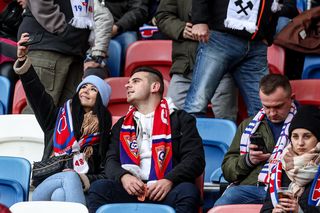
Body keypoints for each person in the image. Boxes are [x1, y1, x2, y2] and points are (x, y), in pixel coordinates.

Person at [87, 66, 205, 213]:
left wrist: (169, 180)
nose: (127, 85)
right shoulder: (122, 124)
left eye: (135, 81)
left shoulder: (181, 120)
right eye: (128, 82)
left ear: (154, 87)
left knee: (188, 192)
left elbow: (195, 159)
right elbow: (110, 160)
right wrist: (124, 177)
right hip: (130, 189)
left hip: (166, 188)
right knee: (99, 189)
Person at [13, 33, 112, 205]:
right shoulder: (57, 118)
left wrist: (83, 178)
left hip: (75, 189)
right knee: (69, 177)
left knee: (61, 193)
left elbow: (105, 175)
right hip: (44, 184)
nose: (86, 91)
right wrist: (23, 62)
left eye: (93, 89)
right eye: (83, 87)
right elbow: (37, 95)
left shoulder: (104, 134)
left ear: (101, 98)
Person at [184, 0, 298, 118]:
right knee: (196, 104)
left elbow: (277, 4)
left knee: (264, 109)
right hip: (221, 39)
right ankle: (188, 136)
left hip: (256, 46)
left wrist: (269, 35)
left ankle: (259, 137)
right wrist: (199, 20)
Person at [214, 74, 298, 206]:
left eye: (278, 106)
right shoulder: (249, 125)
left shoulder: (306, 124)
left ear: (291, 98)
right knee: (226, 201)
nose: (272, 113)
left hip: (288, 189)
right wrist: (248, 160)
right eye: (266, 107)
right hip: (251, 188)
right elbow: (227, 170)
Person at [155, 0, 237, 121]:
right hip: (185, 66)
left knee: (225, 118)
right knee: (171, 117)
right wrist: (181, 29)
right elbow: (162, 16)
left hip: (221, 66)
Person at [261, 105, 320, 212]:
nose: (300, 143)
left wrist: (301, 211)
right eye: (295, 136)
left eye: (307, 136)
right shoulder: (280, 168)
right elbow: (266, 209)